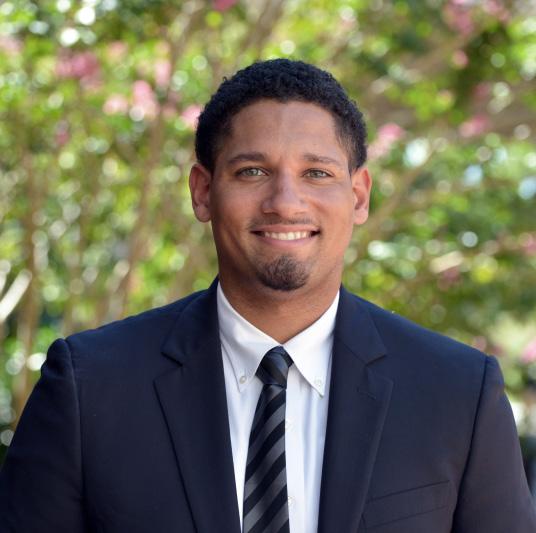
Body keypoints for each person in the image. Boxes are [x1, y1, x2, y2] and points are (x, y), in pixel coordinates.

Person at [0, 59, 534, 533]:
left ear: (358, 195)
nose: (285, 202)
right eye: (252, 171)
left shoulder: (458, 393)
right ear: (203, 192)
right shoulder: (89, 387)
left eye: (316, 173)